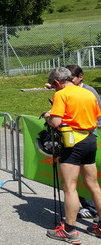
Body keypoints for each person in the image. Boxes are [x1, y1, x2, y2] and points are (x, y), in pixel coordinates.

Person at [41, 67, 101, 243]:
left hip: (73, 142)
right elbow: (97, 116)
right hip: (90, 140)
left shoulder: (62, 94)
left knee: (69, 187)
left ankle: (69, 230)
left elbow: (56, 121)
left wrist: (47, 116)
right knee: (93, 185)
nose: (54, 88)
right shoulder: (88, 93)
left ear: (58, 82)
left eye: (53, 86)